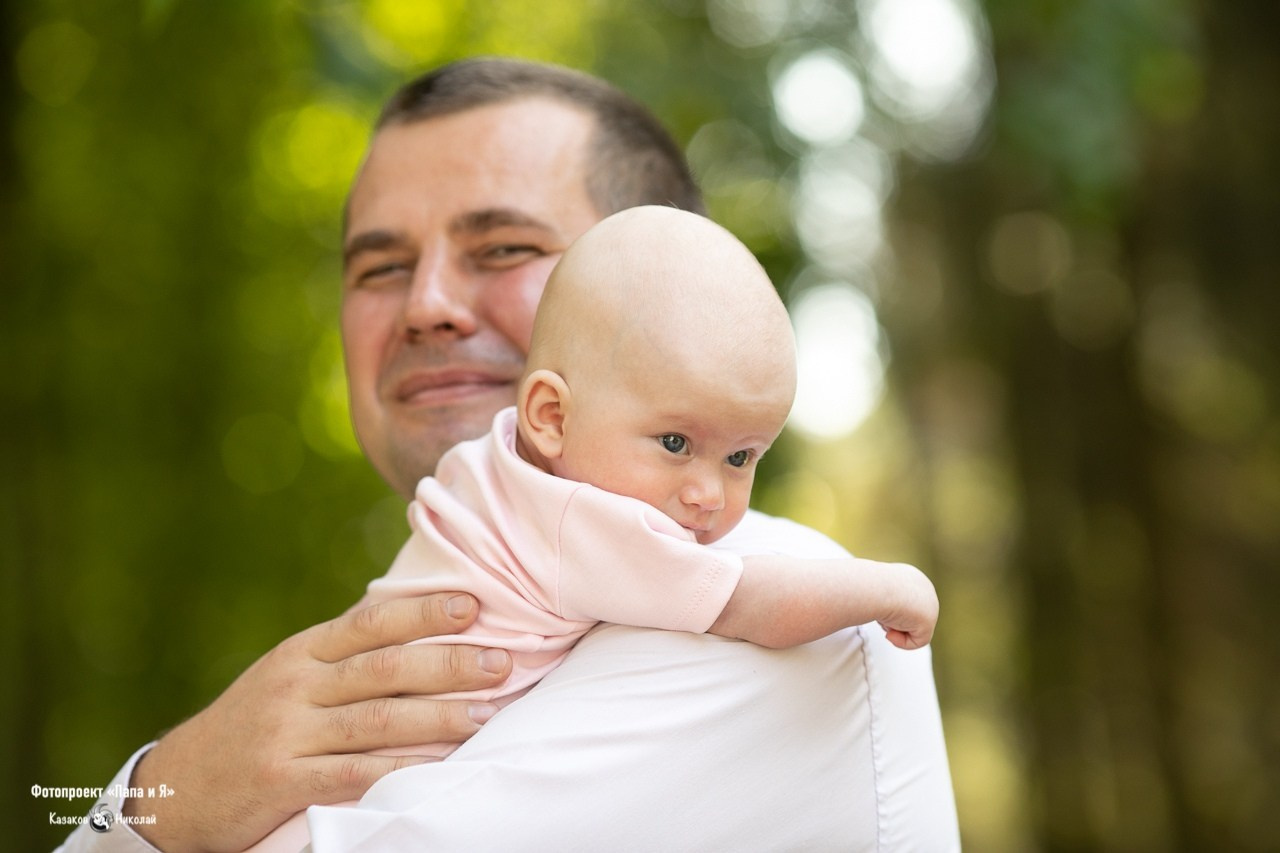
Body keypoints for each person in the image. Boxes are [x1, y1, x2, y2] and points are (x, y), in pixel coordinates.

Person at [61, 58, 958, 853]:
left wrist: (151, 810)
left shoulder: (779, 641)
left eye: (504, 247)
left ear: (685, 281)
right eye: (379, 267)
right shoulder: (464, 602)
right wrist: (170, 790)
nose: (426, 303)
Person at [247, 205, 939, 851]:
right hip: (351, 804)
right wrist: (886, 585)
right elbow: (753, 602)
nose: (706, 493)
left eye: (740, 456)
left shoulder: (490, 465)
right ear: (551, 414)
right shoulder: (584, 518)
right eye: (674, 443)